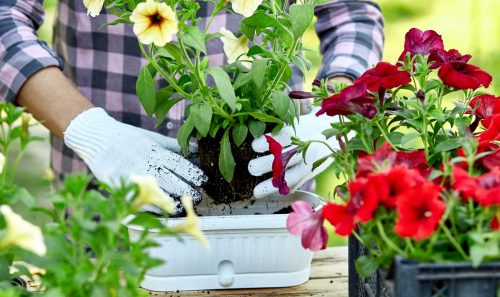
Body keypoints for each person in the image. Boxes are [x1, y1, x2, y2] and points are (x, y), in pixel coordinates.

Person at [0, 0, 384, 213]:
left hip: (268, 195)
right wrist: (91, 133)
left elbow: (351, 12)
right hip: (108, 195)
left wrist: (331, 115)